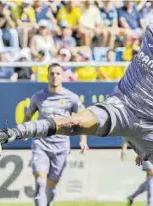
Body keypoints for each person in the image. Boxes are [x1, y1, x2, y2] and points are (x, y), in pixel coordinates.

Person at [0, 8, 153, 206]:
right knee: (74, 122)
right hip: (120, 106)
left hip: (152, 126)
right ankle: (9, 134)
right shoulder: (150, 32)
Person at [23, 63, 89, 206]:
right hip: (41, 143)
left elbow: (82, 120)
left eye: (58, 73)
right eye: (52, 73)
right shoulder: (38, 97)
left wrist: (83, 140)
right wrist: (24, 131)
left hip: (61, 146)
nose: (54, 76)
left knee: (50, 190)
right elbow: (28, 115)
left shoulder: (71, 98)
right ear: (47, 75)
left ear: (63, 76)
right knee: (40, 182)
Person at [121, 140, 153, 206]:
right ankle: (149, 204)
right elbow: (127, 138)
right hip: (145, 155)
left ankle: (131, 197)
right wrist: (124, 148)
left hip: (150, 154)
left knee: (149, 180)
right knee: (151, 178)